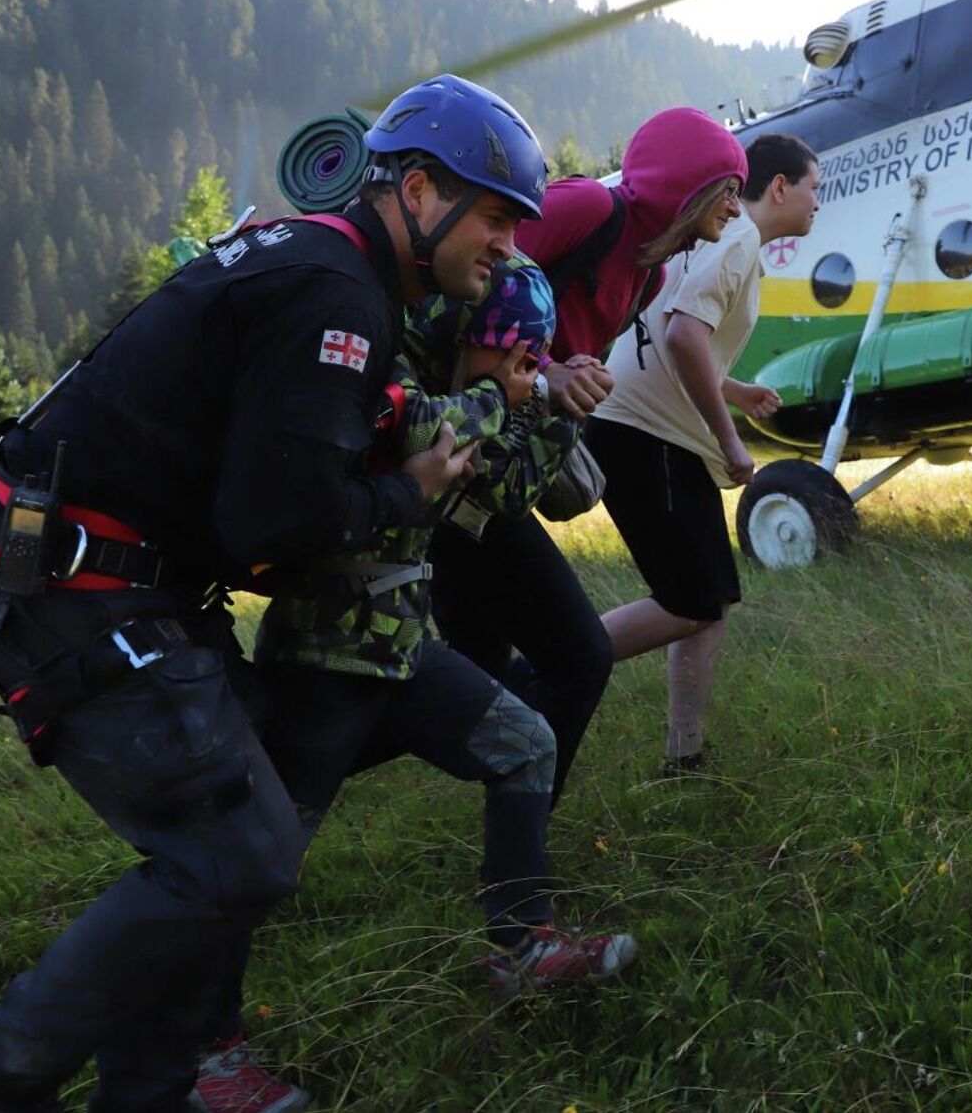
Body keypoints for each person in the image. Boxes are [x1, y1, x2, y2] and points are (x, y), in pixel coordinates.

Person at [0, 73, 540, 1113]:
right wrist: (409, 488)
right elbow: (274, 523)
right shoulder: (339, 294)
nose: (510, 244)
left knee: (220, 847)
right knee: (236, 850)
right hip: (80, 593)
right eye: (500, 214)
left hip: (105, 581)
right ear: (419, 193)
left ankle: (148, 1094)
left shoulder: (320, 261)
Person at [191, 261, 633, 1113]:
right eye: (506, 351)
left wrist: (551, 411)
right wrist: (515, 392)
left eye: (526, 354)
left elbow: (500, 488)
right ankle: (206, 1058)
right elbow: (417, 431)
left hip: (398, 652)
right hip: (326, 658)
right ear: (460, 333)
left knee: (524, 742)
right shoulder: (386, 363)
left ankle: (519, 947)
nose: (516, 366)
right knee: (257, 857)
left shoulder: (475, 387)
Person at [428, 106, 749, 800]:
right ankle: (519, 844)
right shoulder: (587, 207)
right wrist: (548, 371)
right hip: (456, 448)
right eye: (726, 184)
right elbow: (476, 281)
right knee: (567, 658)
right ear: (685, 184)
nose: (735, 203)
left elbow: (563, 339)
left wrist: (573, 377)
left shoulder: (650, 276)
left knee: (472, 677)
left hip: (500, 467)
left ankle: (506, 816)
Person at [583, 134, 819, 772]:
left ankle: (684, 755)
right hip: (646, 435)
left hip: (644, 431)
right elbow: (687, 334)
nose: (817, 201)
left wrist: (734, 390)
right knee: (689, 600)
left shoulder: (713, 235)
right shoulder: (736, 237)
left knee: (709, 600)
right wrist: (730, 439)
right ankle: (551, 661)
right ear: (777, 187)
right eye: (813, 187)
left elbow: (671, 331)